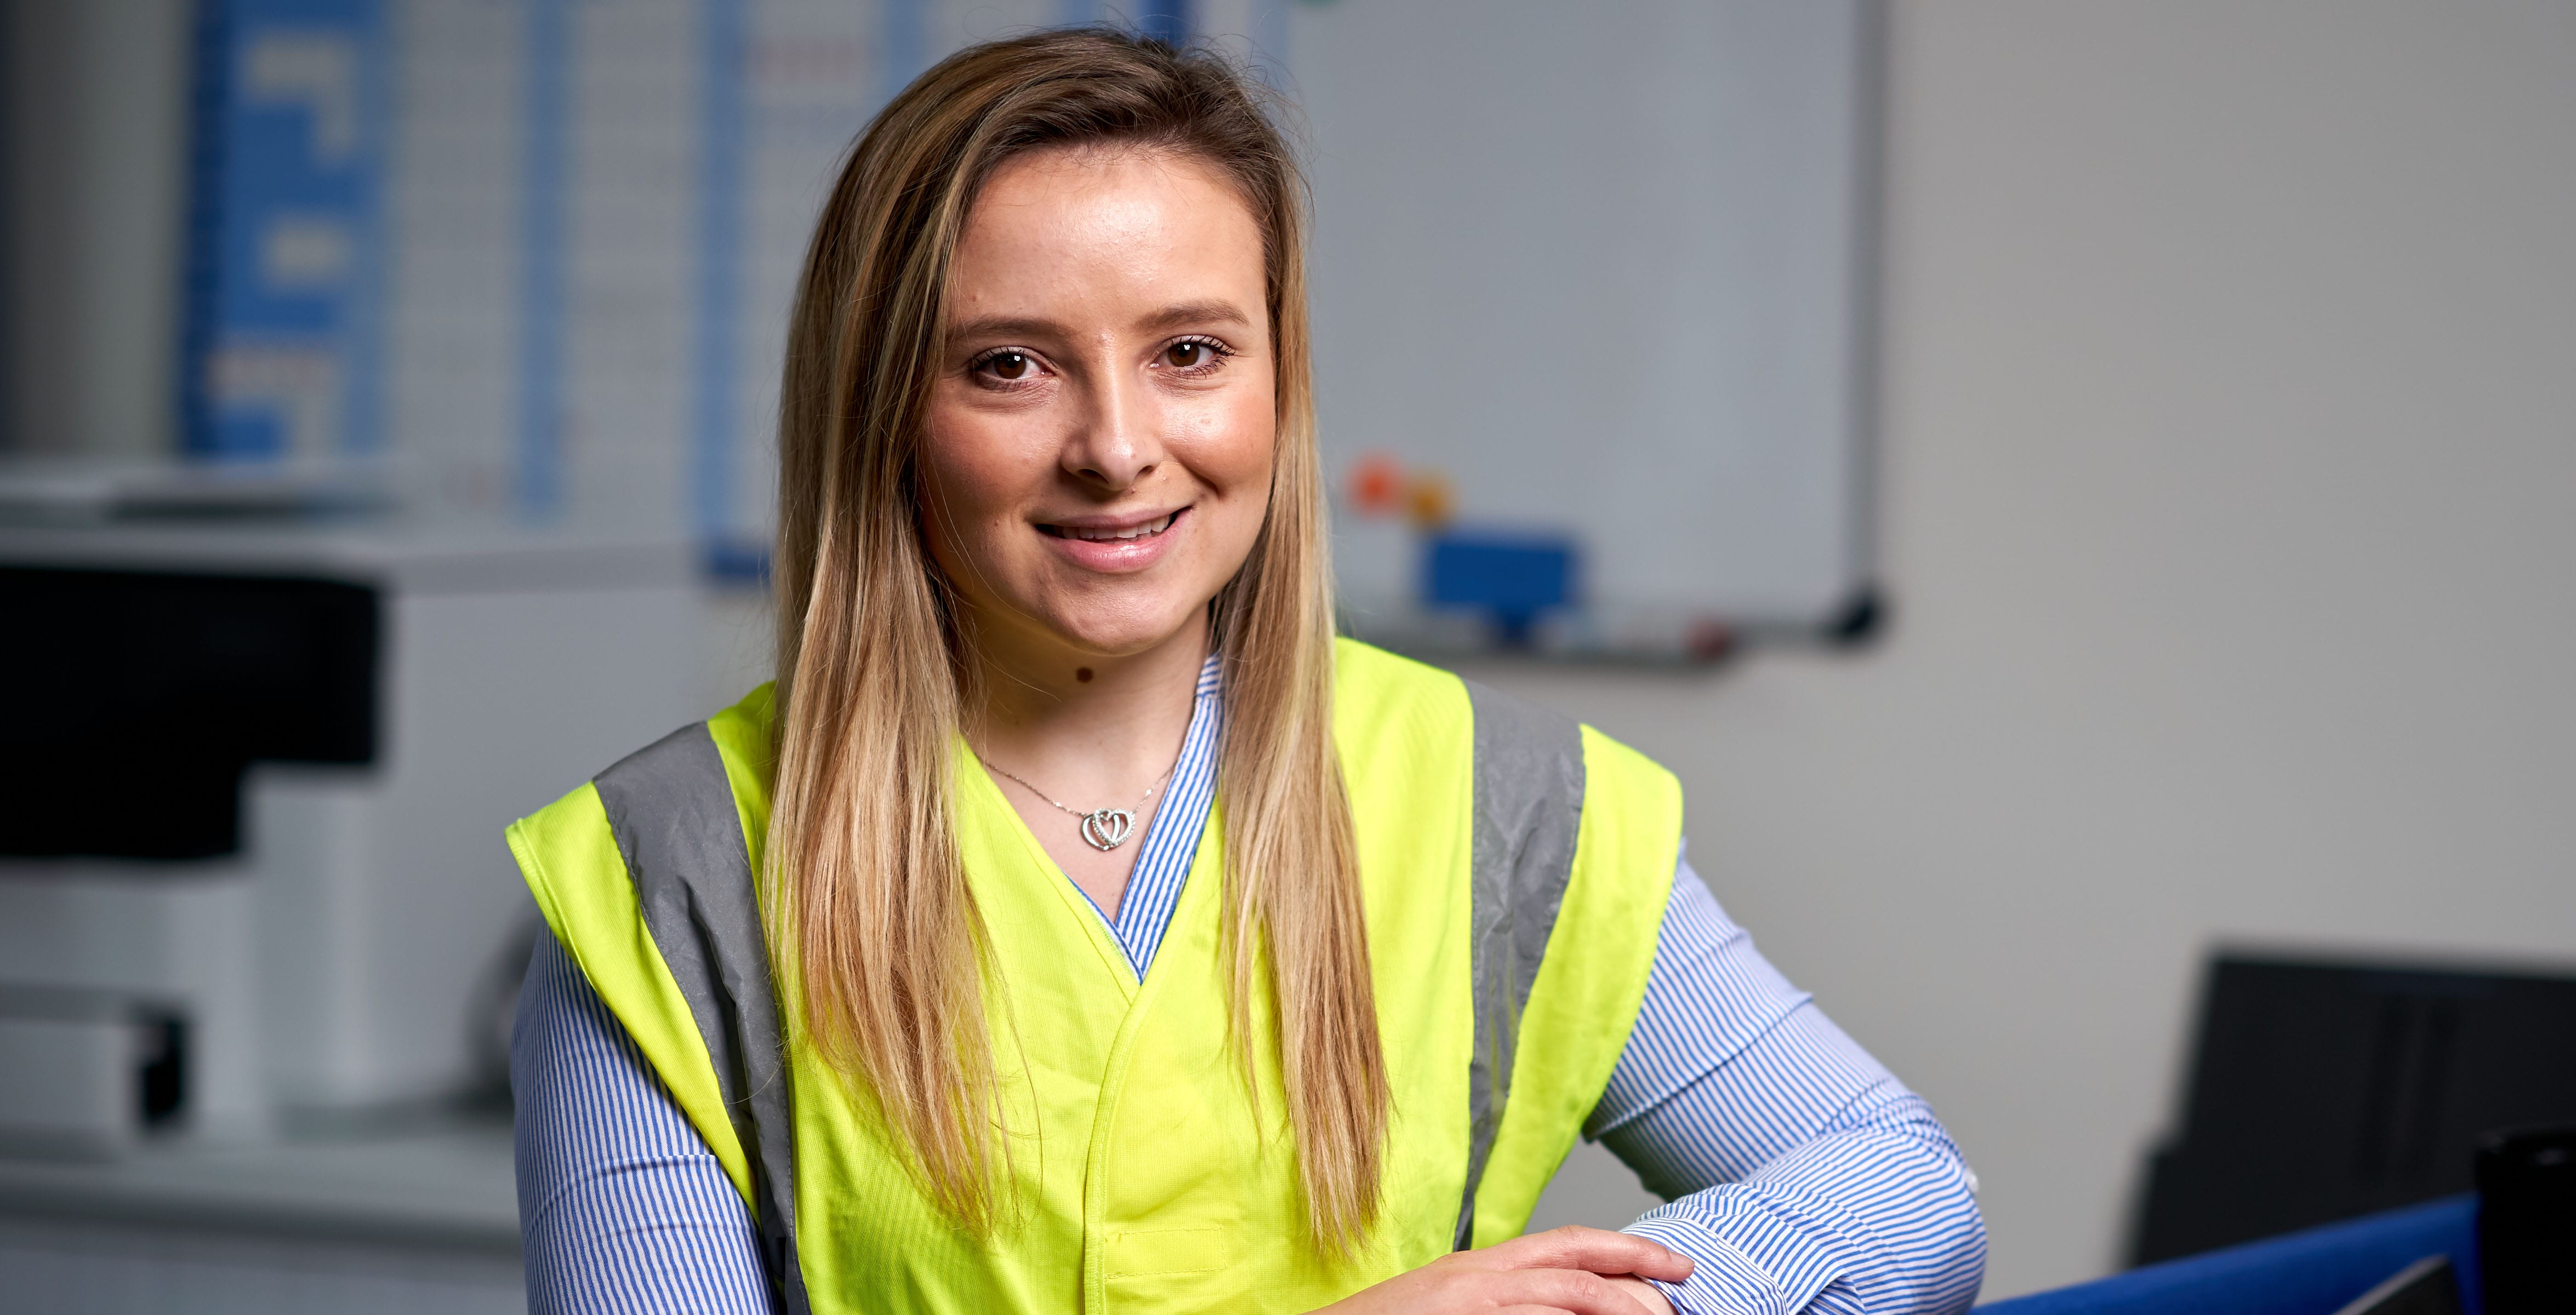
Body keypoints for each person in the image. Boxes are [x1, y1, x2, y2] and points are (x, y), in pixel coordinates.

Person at [506, 27, 1982, 1315]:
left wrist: (1630, 1308)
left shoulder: (1506, 806)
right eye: (1009, 364)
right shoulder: (669, 882)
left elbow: (1904, 1191)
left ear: (1279, 380)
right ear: (886, 407)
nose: (1118, 446)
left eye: (1192, 352)